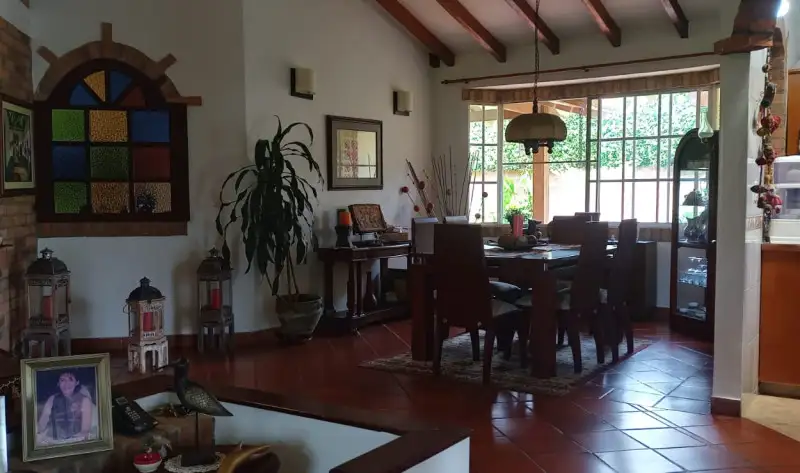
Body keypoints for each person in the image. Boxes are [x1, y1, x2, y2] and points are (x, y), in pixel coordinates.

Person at [36, 371, 94, 444]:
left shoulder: (84, 400)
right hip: (51, 440)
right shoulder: (52, 399)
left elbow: (85, 430)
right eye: (62, 380)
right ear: (58, 383)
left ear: (77, 382)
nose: (66, 383)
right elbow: (42, 424)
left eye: (70, 379)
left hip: (75, 440)